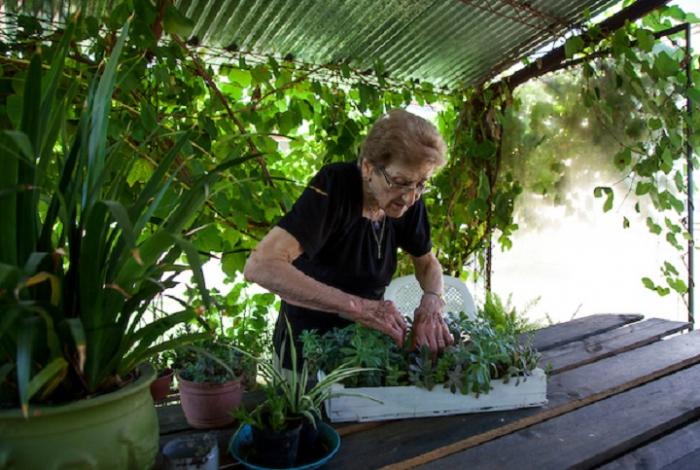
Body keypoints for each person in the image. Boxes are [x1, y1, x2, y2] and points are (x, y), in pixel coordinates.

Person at [244, 109, 454, 367]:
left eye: (422, 183)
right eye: (399, 182)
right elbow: (261, 266)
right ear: (368, 167)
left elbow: (428, 264)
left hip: (364, 348)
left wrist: (432, 301)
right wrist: (358, 308)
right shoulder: (336, 187)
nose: (410, 198)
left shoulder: (408, 201)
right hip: (307, 351)